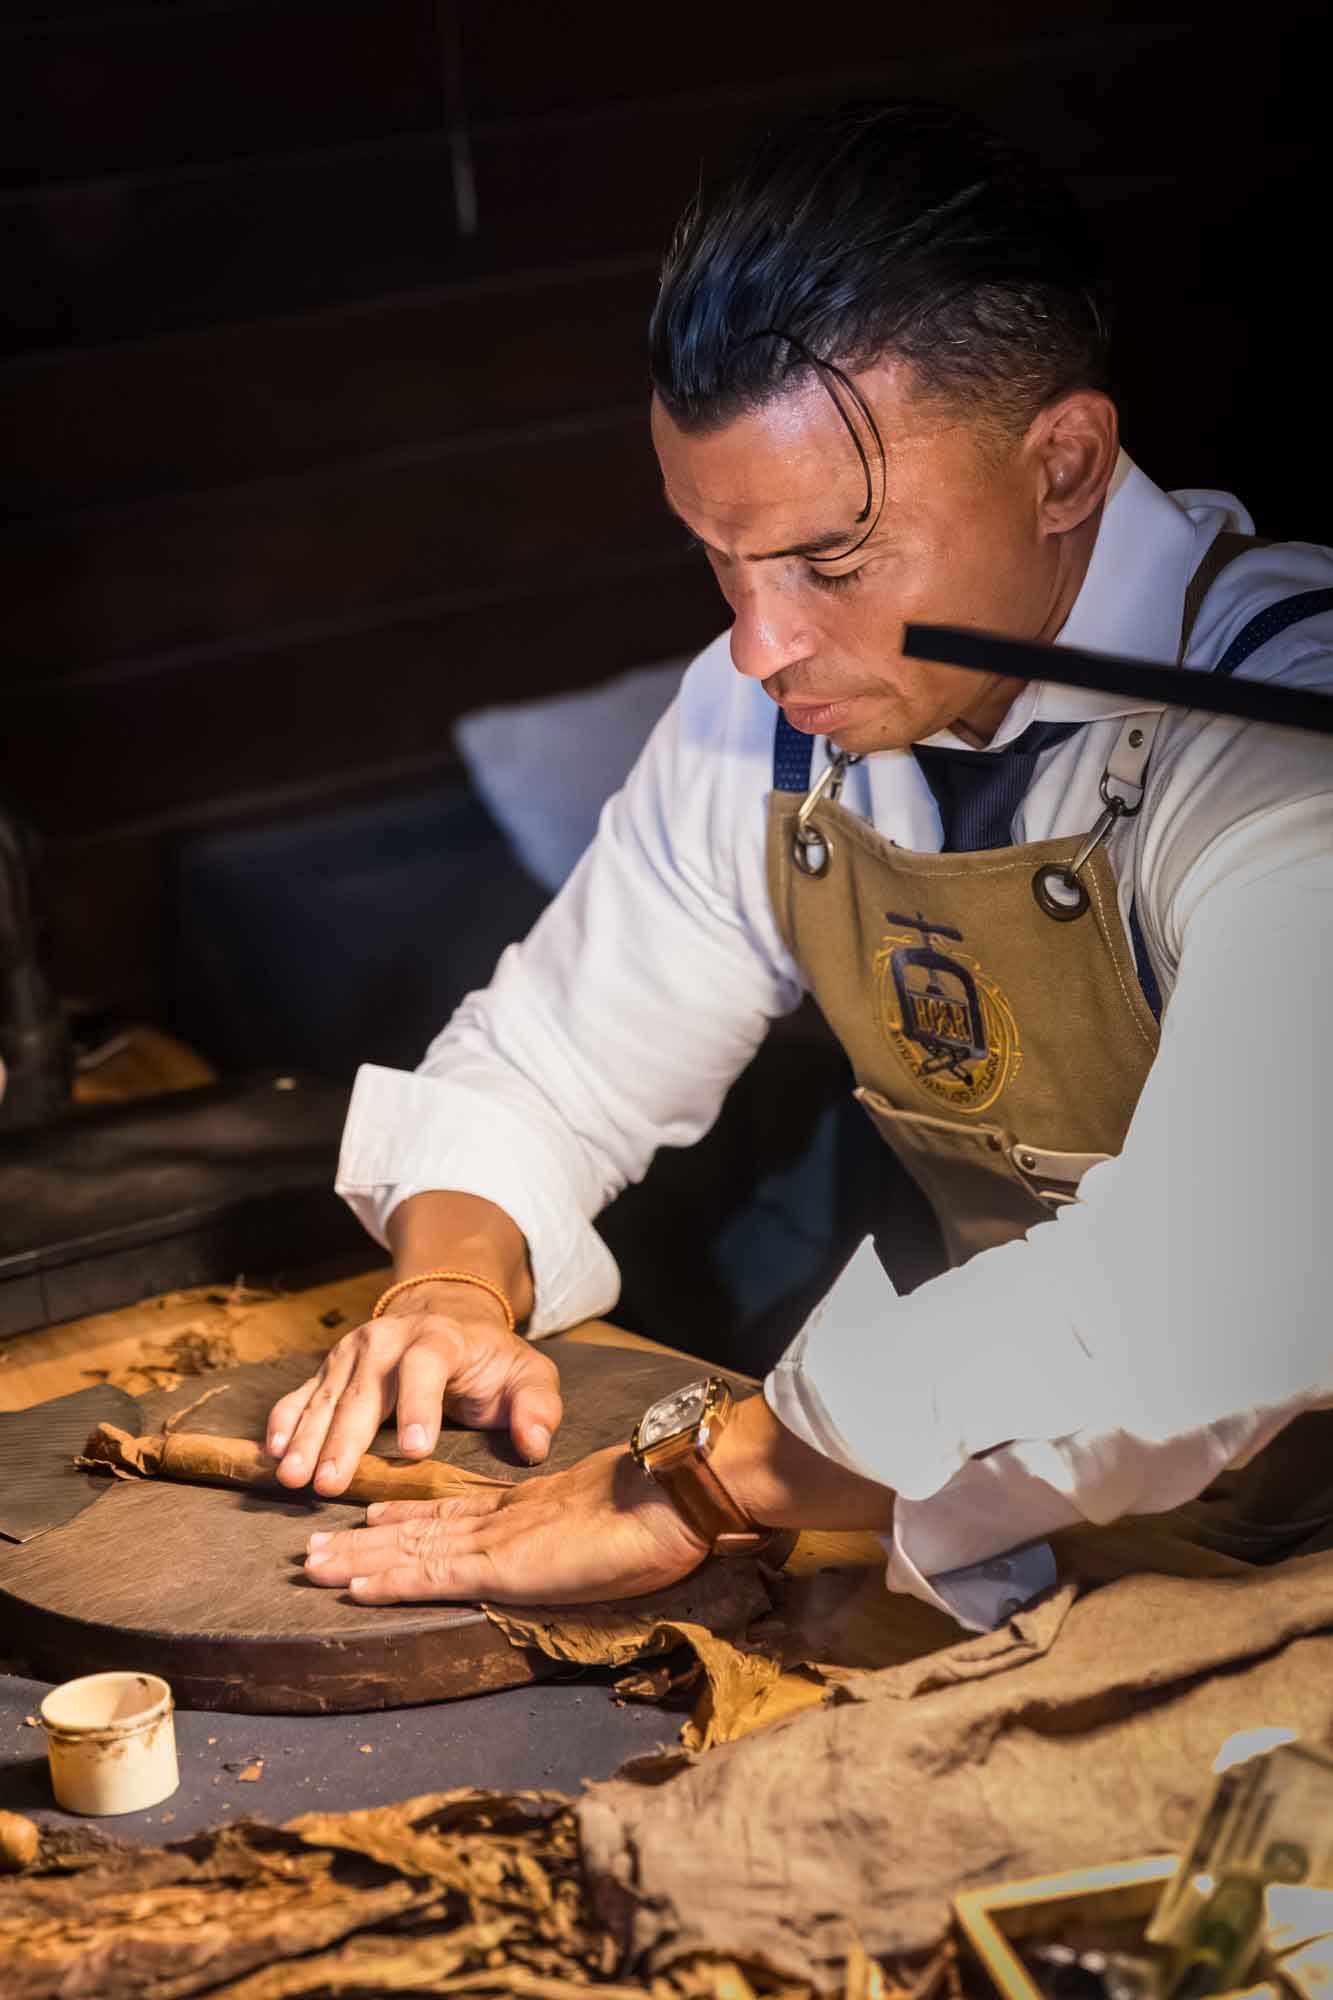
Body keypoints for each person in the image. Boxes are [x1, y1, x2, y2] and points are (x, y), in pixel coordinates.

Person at [272, 101, 1333, 1625]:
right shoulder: (769, 706)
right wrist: (451, 1287)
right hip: (1029, 1527)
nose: (759, 646)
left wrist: (698, 1481)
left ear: (1063, 465)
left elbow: (1213, 1291)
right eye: (719, 556)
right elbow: (557, 1068)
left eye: (833, 563)